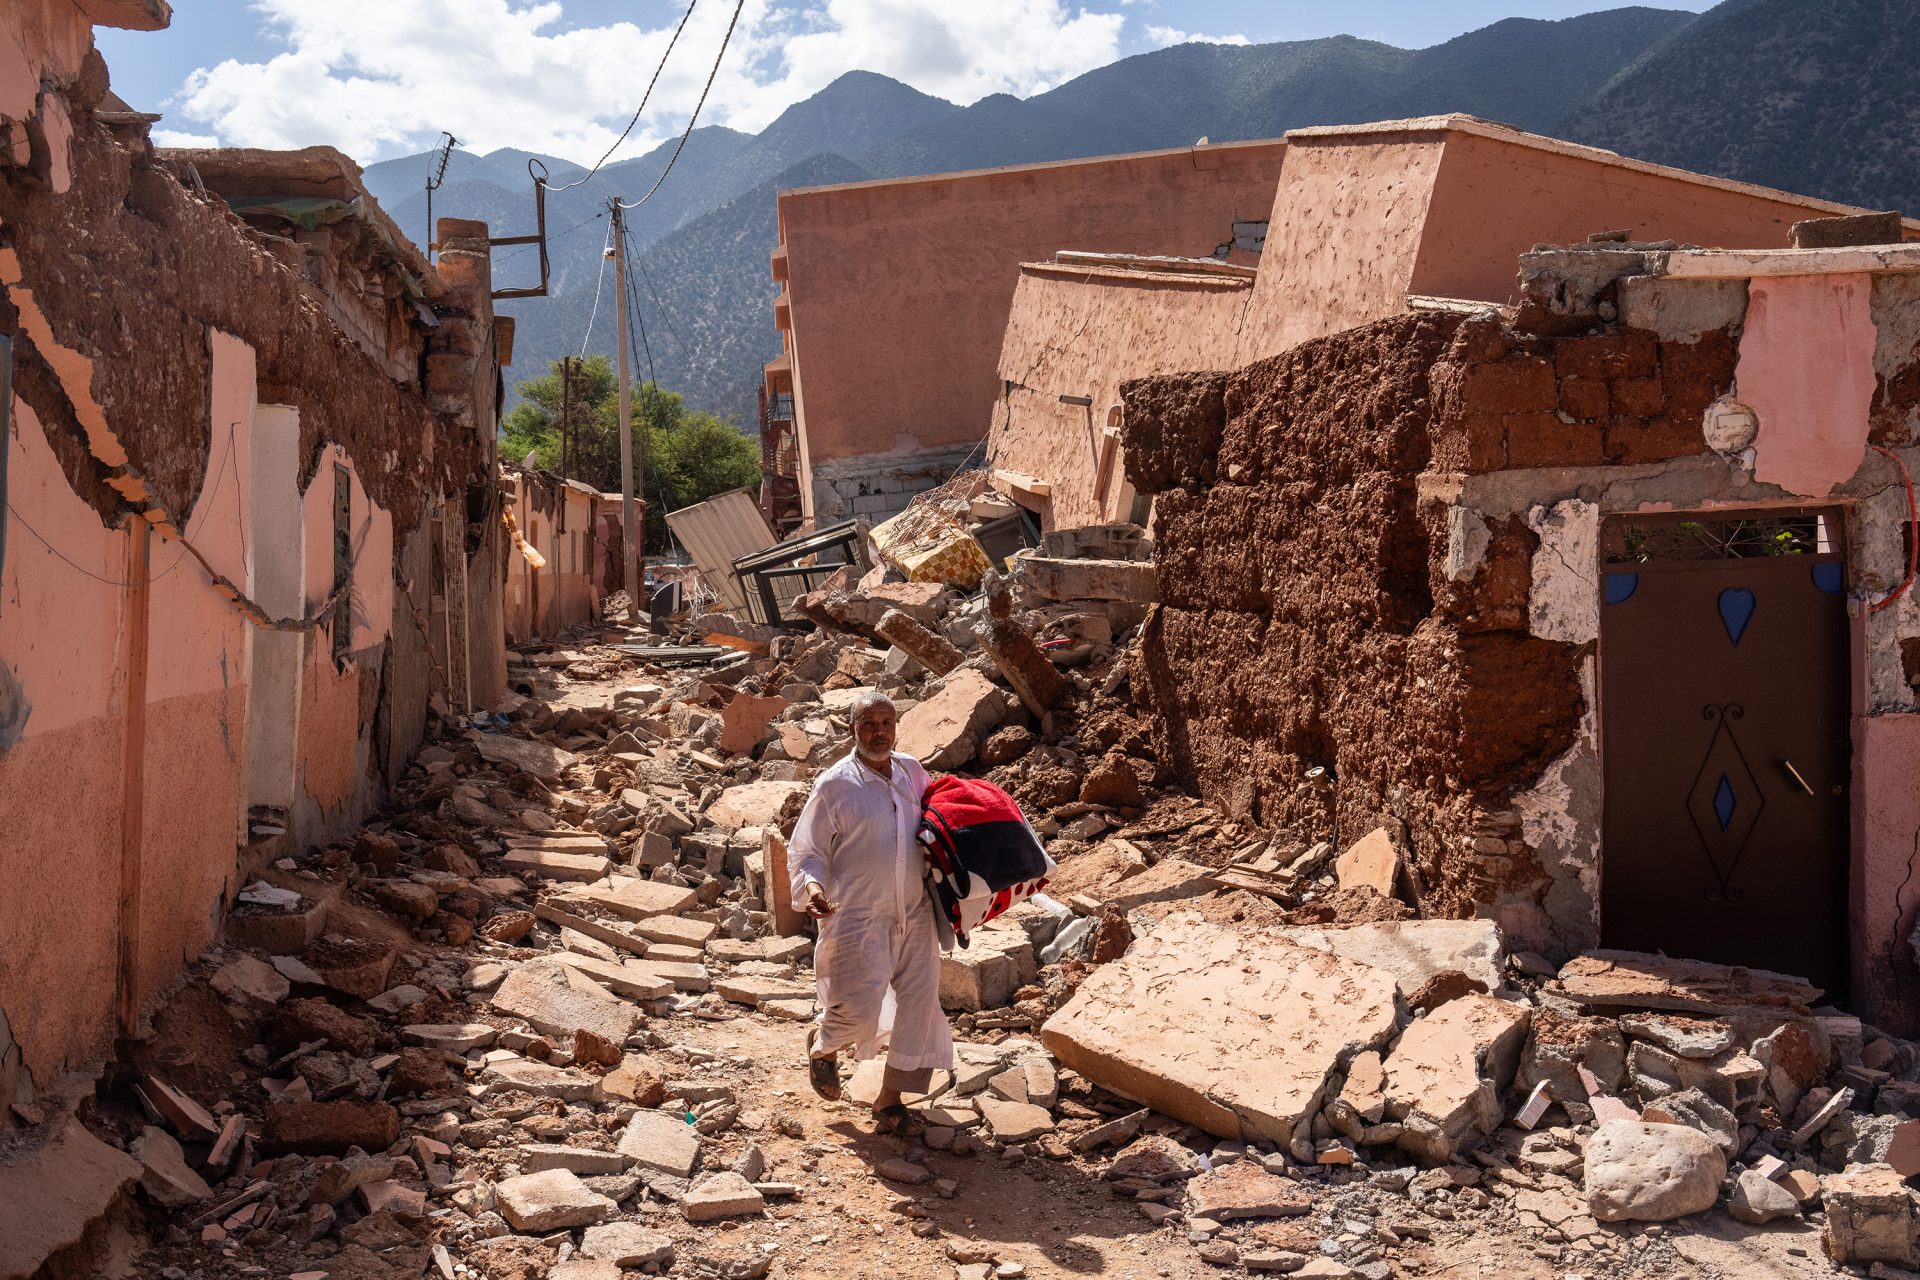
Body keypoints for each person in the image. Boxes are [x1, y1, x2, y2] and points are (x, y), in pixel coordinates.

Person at [787, 691, 952, 1131]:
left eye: (887, 722)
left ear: (896, 727)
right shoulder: (835, 785)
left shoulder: (911, 772)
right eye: (869, 723)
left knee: (919, 1005)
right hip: (857, 914)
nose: (879, 731)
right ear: (851, 730)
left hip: (914, 910)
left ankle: (890, 1100)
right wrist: (814, 888)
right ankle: (823, 1046)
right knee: (856, 1010)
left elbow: (935, 823)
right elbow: (807, 851)